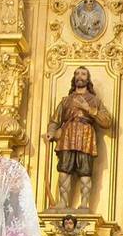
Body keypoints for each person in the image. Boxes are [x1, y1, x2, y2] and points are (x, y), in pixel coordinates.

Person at [46, 66, 113, 210]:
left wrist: (89, 109)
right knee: (64, 170)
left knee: (85, 172)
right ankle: (63, 203)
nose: (79, 76)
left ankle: (84, 204)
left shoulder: (94, 101)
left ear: (87, 79)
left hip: (86, 137)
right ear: (74, 78)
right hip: (67, 136)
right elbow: (55, 121)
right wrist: (51, 132)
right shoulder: (66, 101)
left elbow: (107, 121)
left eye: (83, 74)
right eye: (77, 74)